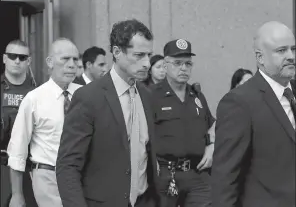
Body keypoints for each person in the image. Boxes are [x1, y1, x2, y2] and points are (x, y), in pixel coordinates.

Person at [56, 19, 159, 207]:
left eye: (149, 55)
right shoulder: (89, 97)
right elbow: (68, 166)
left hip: (145, 200)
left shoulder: (147, 95)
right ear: (117, 52)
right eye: (139, 55)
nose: (147, 63)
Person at [211, 21, 295, 207]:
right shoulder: (239, 102)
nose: (291, 56)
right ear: (260, 58)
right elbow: (225, 178)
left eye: (293, 49)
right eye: (281, 51)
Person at [7, 38, 82, 207]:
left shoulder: (86, 95)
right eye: (65, 59)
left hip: (82, 176)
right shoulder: (34, 99)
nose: (72, 65)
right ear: (50, 62)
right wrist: (17, 195)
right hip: (48, 177)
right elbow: (18, 149)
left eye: (75, 59)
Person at [150, 39, 215, 207]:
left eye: (188, 64)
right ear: (165, 65)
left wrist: (212, 145)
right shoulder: (152, 96)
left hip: (198, 174)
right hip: (166, 175)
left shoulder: (197, 96)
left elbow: (212, 124)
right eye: (177, 63)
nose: (184, 68)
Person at [1, 39, 38, 207]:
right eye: (12, 56)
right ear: (4, 59)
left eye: (22, 57)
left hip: (28, 168)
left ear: (28, 61)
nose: (17, 60)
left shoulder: (38, 91)